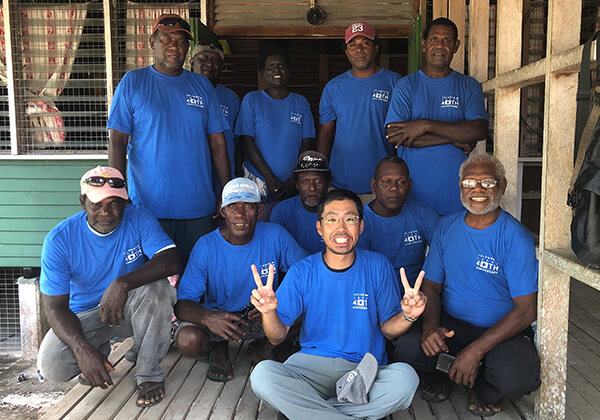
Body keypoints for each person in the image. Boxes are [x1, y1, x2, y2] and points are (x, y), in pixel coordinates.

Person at [250, 189, 426, 420]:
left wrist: (408, 316)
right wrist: (269, 312)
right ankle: (344, 413)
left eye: (350, 219)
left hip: (363, 370)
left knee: (406, 379)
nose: (341, 228)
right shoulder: (302, 270)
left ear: (361, 226)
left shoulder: (378, 265)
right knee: (262, 374)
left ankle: (314, 412)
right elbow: (276, 337)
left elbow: (388, 329)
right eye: (332, 219)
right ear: (320, 228)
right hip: (309, 367)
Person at [390, 154, 540, 417]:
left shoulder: (516, 238)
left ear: (502, 187)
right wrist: (430, 328)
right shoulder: (446, 227)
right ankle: (444, 377)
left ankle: (482, 386)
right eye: (470, 182)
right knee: (407, 348)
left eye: (487, 182)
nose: (478, 189)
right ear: (460, 186)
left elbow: (526, 310)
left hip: (500, 332)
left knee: (519, 374)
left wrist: (477, 350)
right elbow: (432, 287)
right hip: (453, 328)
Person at [37, 166, 181, 408]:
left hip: (129, 308)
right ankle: (98, 349)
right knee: (52, 365)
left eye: (114, 203)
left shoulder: (138, 217)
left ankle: (148, 373)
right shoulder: (59, 239)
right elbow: (55, 308)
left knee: (159, 289)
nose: (106, 212)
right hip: (85, 317)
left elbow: (171, 259)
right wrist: (81, 348)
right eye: (97, 203)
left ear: (126, 203)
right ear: (83, 202)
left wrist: (122, 283)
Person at [108, 14, 231, 264]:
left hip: (198, 208)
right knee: (154, 286)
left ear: (188, 48)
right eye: (166, 39)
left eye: (180, 40)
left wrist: (227, 192)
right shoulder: (133, 83)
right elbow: (117, 142)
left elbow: (218, 144)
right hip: (148, 209)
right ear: (152, 42)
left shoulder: (203, 87)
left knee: (196, 283)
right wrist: (117, 191)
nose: (174, 45)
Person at [175, 178, 307, 382]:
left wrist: (275, 303)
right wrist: (208, 318)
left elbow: (308, 275)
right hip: (221, 319)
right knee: (187, 341)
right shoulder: (206, 246)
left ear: (260, 210)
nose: (240, 214)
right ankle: (218, 347)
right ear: (222, 210)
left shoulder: (275, 235)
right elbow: (183, 304)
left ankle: (265, 347)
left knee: (313, 306)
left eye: (248, 206)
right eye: (232, 206)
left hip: (263, 316)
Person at [385, 17, 488, 216]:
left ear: (456, 46)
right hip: (412, 195)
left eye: (447, 40)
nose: (439, 45)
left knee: (450, 245)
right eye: (434, 39)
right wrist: (455, 136)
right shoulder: (406, 86)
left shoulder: (468, 85)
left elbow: (479, 130)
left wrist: (424, 125)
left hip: (455, 195)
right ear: (424, 45)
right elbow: (395, 135)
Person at [316, 22, 401, 195]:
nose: (359, 49)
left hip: (383, 184)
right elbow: (326, 134)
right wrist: (320, 172)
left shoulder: (395, 83)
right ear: (347, 51)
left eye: (365, 43)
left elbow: (403, 132)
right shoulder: (333, 87)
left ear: (376, 48)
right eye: (352, 45)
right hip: (341, 182)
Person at [235, 43, 315, 218]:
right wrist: (270, 179)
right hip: (259, 182)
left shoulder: (301, 103)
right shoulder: (252, 100)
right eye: (270, 67)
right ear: (262, 72)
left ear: (289, 70)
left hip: (292, 185)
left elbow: (307, 143)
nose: (276, 70)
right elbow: (246, 142)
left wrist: (294, 179)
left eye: (281, 65)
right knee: (258, 230)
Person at [358, 156, 439, 288]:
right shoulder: (360, 221)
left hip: (417, 293)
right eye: (386, 182)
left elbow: (444, 251)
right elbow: (361, 273)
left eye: (401, 182)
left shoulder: (422, 214)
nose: (394, 188)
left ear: (410, 186)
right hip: (377, 292)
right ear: (374, 186)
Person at [190, 39, 242, 186]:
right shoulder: (181, 93)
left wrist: (237, 174)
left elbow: (238, 142)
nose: (209, 63)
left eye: (215, 60)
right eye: (203, 58)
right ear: (192, 62)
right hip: (194, 177)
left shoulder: (231, 97)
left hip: (224, 178)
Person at [270, 151, 331, 254]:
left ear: (328, 183)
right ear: (297, 185)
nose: (312, 188)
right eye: (305, 182)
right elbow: (276, 252)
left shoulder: (339, 211)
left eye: (318, 181)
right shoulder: (282, 211)